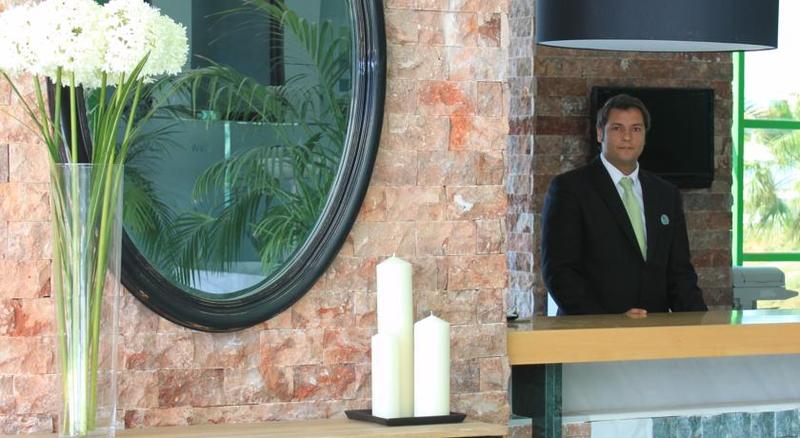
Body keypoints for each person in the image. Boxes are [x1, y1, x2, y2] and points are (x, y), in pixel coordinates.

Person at [541, 94, 708, 316]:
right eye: (617, 128)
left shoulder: (666, 194)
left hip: (655, 330)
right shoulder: (570, 189)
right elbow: (559, 273)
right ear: (600, 133)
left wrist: (702, 324)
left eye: (636, 129)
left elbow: (680, 274)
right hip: (593, 330)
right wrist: (609, 322)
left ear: (645, 136)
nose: (627, 137)